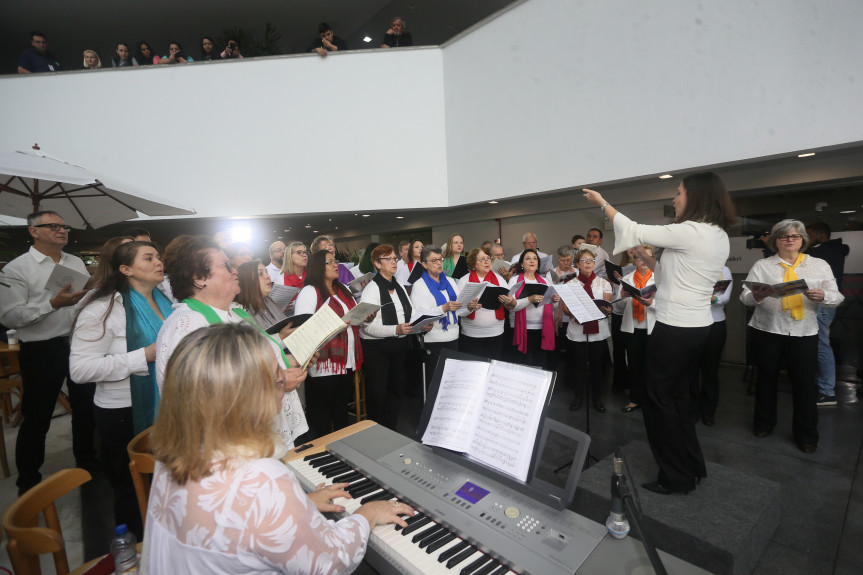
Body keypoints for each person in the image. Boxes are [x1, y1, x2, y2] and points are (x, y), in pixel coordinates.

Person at [143, 323, 415, 574]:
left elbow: (234, 524)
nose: (283, 386)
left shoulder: (175, 454)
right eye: (277, 380)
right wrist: (368, 513)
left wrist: (300, 507)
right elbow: (330, 562)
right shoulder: (260, 477)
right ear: (248, 397)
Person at [583, 171, 736, 494]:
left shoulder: (690, 231)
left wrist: (603, 203)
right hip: (696, 327)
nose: (674, 198)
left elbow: (634, 228)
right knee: (679, 399)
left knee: (657, 400)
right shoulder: (716, 234)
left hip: (675, 328)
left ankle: (675, 476)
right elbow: (671, 274)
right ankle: (692, 465)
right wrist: (644, 256)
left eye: (678, 192)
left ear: (695, 196)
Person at [155, 236, 309, 451]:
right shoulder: (189, 326)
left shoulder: (235, 313)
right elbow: (202, 401)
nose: (235, 270)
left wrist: (288, 362)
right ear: (199, 278)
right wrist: (278, 383)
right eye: (226, 266)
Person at [70, 241, 173, 539]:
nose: (158, 262)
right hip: (123, 412)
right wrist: (144, 356)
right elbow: (80, 370)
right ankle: (137, 551)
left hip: (167, 405)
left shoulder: (164, 298)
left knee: (167, 485)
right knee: (132, 491)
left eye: (158, 256)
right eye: (149, 258)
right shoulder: (103, 306)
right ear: (126, 269)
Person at [0, 211, 95, 494]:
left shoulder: (75, 262)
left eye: (64, 226)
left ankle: (87, 463)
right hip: (42, 349)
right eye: (52, 226)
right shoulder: (17, 269)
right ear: (34, 232)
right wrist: (52, 304)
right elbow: (9, 316)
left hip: (78, 343)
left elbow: (80, 301)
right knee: (37, 416)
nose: (62, 230)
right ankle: (28, 482)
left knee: (85, 408)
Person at [740, 220, 843, 453]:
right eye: (784, 236)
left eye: (795, 236)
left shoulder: (819, 265)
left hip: (804, 331)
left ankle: (806, 435)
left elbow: (837, 297)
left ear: (803, 240)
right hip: (767, 329)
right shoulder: (762, 265)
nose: (789, 239)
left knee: (805, 384)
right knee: (766, 379)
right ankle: (763, 424)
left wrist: (824, 295)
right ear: (775, 240)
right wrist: (756, 296)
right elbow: (744, 296)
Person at [295, 250, 365, 438]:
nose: (336, 265)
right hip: (323, 363)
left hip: (346, 359)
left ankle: (343, 450)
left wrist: (365, 316)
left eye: (336, 261)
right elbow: (303, 329)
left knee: (341, 410)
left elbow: (351, 320)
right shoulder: (310, 292)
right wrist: (337, 324)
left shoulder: (343, 289)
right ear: (318, 267)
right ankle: (323, 452)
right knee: (322, 415)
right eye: (329, 262)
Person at [359, 244, 428, 430]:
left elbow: (411, 313)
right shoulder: (372, 289)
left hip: (399, 347)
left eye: (394, 258)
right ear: (377, 264)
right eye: (387, 259)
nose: (393, 262)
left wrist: (422, 324)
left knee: (396, 392)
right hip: (377, 350)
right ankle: (376, 431)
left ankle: (391, 430)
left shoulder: (398, 286)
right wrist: (395, 330)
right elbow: (367, 326)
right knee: (378, 395)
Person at [561, 248, 613, 412]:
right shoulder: (570, 284)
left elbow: (608, 308)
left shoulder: (603, 283)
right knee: (578, 366)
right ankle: (578, 397)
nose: (588, 263)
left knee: (597, 366)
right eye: (584, 260)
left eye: (591, 260)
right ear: (577, 264)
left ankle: (597, 398)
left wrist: (606, 309)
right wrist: (574, 310)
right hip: (577, 330)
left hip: (598, 331)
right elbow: (566, 311)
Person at [805, 221, 850, 406]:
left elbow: (800, 257)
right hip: (825, 303)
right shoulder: (836, 249)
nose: (805, 239)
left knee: (822, 345)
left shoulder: (822, 252)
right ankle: (824, 385)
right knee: (821, 344)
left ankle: (827, 391)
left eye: (808, 235)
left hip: (822, 302)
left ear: (821, 236)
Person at [410, 245, 461, 383]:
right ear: (424, 264)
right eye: (434, 260)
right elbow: (421, 316)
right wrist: (443, 308)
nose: (439, 263)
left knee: (451, 380)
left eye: (440, 259)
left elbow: (458, 311)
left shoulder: (450, 281)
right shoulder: (419, 285)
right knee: (435, 380)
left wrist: (470, 307)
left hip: (454, 337)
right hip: (433, 341)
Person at [456, 247, 516, 360]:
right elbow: (458, 311)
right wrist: (469, 308)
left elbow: (510, 306)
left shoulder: (500, 279)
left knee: (492, 368)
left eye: (488, 258)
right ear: (473, 263)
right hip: (471, 335)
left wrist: (510, 301)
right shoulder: (464, 280)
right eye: (482, 259)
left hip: (496, 333)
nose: (487, 261)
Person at [691, 265, 732, 425]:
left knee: (710, 370)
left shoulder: (722, 269)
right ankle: (692, 409)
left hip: (715, 324)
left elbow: (724, 297)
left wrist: (713, 298)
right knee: (690, 370)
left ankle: (708, 411)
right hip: (691, 323)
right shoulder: (690, 267)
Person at [619, 247, 657, 413]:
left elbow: (668, 305)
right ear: (634, 260)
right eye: (638, 257)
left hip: (652, 329)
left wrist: (652, 304)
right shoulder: (626, 279)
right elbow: (618, 308)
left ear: (652, 259)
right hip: (632, 328)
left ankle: (652, 400)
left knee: (653, 366)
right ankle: (635, 398)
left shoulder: (660, 279)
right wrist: (622, 295)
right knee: (634, 365)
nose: (642, 260)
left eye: (646, 257)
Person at [508, 249, 558, 368]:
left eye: (535, 259)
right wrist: (529, 299)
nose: (532, 261)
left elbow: (552, 307)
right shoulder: (514, 280)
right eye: (528, 258)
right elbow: (511, 306)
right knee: (524, 364)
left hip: (542, 328)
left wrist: (555, 300)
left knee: (539, 363)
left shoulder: (546, 281)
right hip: (520, 329)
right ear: (521, 264)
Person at [235, 260, 292, 338]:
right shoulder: (241, 311)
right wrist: (281, 336)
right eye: (260, 274)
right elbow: (254, 344)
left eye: (267, 272)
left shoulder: (268, 301)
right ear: (247, 281)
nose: (267, 276)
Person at [610, 249, 637, 392]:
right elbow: (617, 299)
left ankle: (634, 385)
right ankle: (619, 383)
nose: (631, 251)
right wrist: (618, 281)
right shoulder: (620, 267)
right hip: (618, 313)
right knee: (618, 350)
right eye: (629, 248)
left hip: (633, 314)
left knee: (633, 353)